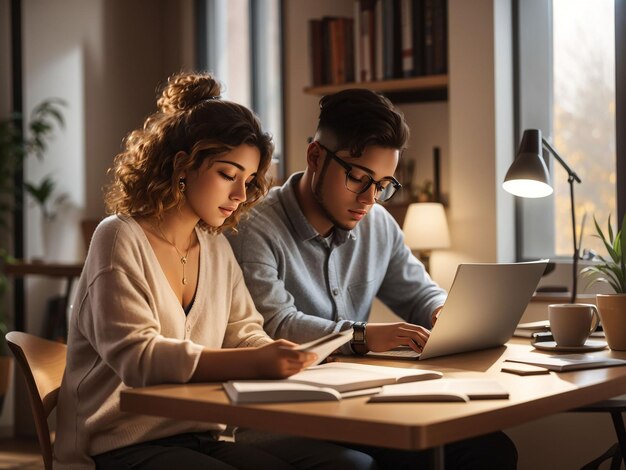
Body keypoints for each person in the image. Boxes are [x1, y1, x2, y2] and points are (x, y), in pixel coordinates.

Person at [226, 88, 518, 469]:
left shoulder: (378, 224)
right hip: (288, 415)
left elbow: (418, 292)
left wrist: (442, 311)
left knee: (489, 448)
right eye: (358, 178)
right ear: (315, 156)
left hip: (362, 407)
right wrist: (362, 335)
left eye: (383, 185)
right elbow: (277, 325)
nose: (369, 199)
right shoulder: (254, 228)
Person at [53, 72, 324, 470]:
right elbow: (138, 358)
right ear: (183, 165)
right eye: (228, 175)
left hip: (201, 436)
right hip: (114, 446)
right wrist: (254, 364)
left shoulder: (215, 249)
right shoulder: (118, 238)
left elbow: (243, 331)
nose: (240, 195)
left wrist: (281, 355)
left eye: (248, 181)